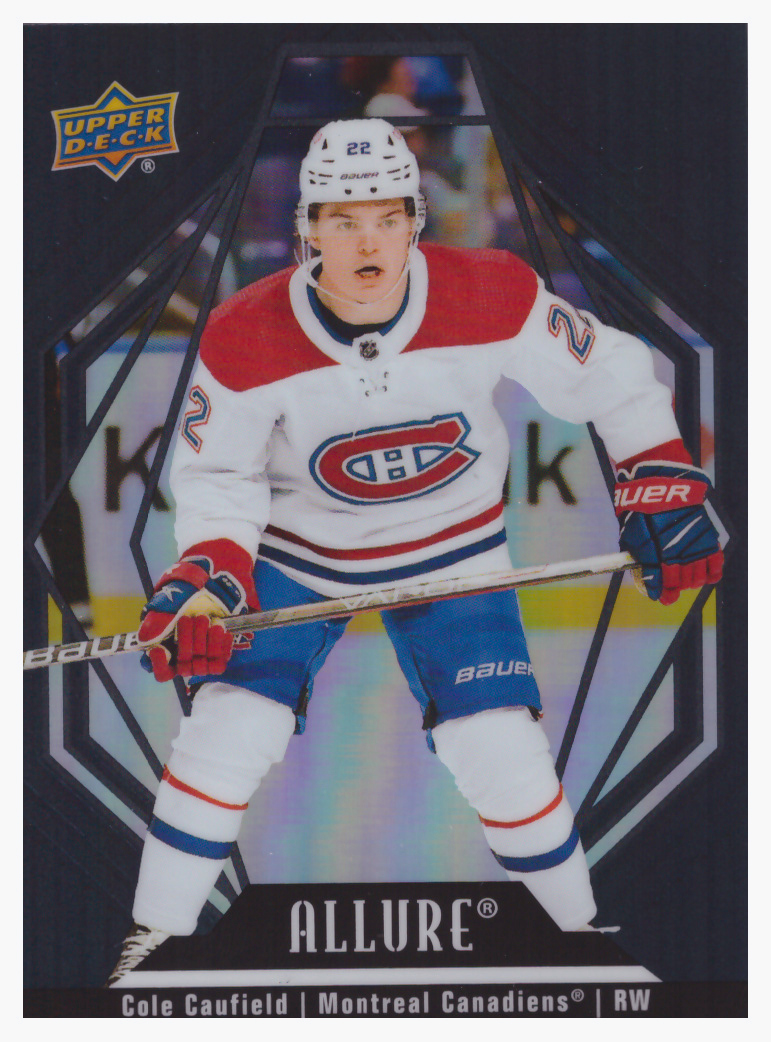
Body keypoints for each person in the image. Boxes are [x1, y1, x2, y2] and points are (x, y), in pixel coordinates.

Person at [107, 119, 723, 984]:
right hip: (299, 556)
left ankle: (578, 940)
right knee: (229, 727)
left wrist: (657, 477)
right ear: (307, 228)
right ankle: (155, 941)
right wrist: (207, 577)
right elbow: (219, 476)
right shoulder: (242, 334)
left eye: (387, 218)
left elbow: (613, 373)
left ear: (415, 221)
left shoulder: (490, 291)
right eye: (344, 220)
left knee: (498, 746)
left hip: (453, 550)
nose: (368, 241)